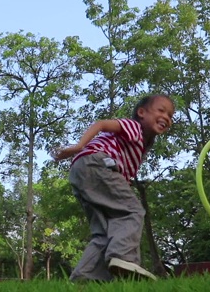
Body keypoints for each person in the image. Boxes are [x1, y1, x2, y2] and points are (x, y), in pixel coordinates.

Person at [52, 94, 175, 282]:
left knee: (103, 232)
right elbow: (101, 124)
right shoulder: (135, 127)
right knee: (132, 211)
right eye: (161, 110)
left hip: (82, 172)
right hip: (97, 164)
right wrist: (79, 145)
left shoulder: (142, 144)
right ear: (141, 112)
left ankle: (84, 278)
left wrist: (124, 181)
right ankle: (124, 257)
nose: (166, 117)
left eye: (170, 115)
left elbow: (123, 169)